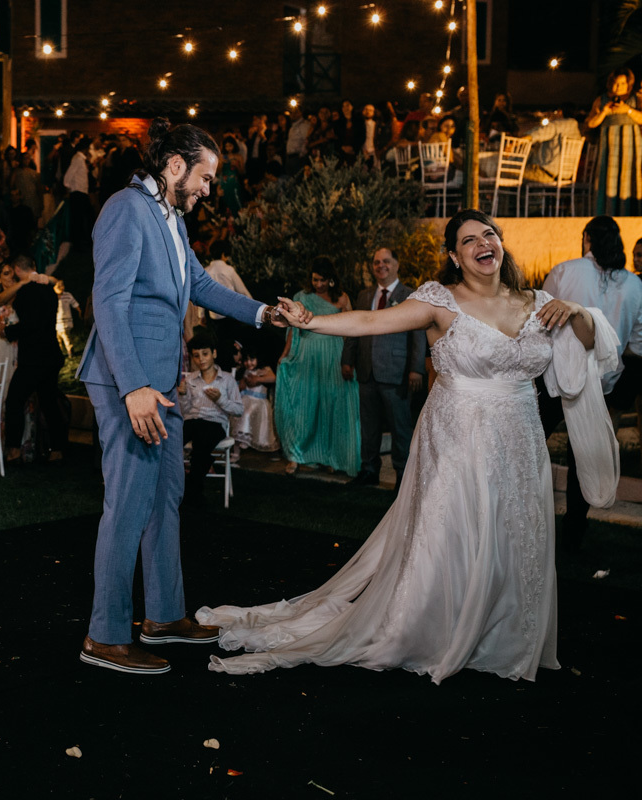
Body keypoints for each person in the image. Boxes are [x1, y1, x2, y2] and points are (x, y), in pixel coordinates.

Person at [199, 209, 618, 684]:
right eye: (470, 240)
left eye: (490, 235)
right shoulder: (441, 301)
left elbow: (589, 343)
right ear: (454, 256)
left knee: (512, 533)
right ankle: (434, 628)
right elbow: (370, 322)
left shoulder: (538, 301)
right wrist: (312, 321)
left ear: (501, 243)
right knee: (454, 533)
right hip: (457, 438)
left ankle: (501, 635)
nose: (484, 244)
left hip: (521, 442)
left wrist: (580, 312)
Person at [76, 117, 302, 675]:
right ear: (175, 166)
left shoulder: (171, 217)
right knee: (127, 508)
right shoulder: (125, 210)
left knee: (164, 502)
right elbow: (108, 303)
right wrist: (133, 389)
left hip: (165, 388)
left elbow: (198, 286)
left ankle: (165, 615)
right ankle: (104, 636)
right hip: (131, 386)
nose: (208, 188)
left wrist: (263, 314)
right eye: (205, 176)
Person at [540, 215, 642, 552]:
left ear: (587, 239)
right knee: (583, 459)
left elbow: (539, 321)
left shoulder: (565, 271)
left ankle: (527, 517)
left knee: (531, 444)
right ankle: (573, 534)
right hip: (603, 385)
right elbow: (638, 345)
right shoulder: (635, 285)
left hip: (556, 379)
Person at [342, 248, 426, 488]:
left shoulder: (411, 295)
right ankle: (368, 470)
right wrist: (347, 360)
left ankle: (403, 476)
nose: (381, 266)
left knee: (400, 427)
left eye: (386, 261)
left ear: (397, 265)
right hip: (366, 371)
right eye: (376, 262)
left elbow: (418, 334)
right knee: (368, 426)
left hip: (396, 372)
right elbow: (354, 330)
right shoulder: (364, 295)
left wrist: (416, 369)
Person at [275, 257, 361, 477]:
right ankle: (296, 456)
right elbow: (293, 331)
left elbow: (349, 330)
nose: (319, 284)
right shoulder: (301, 298)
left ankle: (330, 457)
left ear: (331, 280)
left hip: (333, 355)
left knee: (332, 406)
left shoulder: (342, 298)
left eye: (323, 280)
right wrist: (285, 355)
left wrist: (347, 361)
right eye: (315, 280)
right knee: (303, 406)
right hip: (307, 354)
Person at [3, 255, 67, 465]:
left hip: (33, 357)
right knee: (49, 402)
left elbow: (30, 324)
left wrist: (8, 331)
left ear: (16, 270)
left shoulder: (25, 292)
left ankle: (13, 450)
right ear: (33, 266)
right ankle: (57, 449)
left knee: (14, 400)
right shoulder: (48, 290)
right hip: (51, 354)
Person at [178, 332, 244, 502]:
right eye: (196, 356)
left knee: (202, 437)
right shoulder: (190, 379)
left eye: (205, 354)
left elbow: (238, 409)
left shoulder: (227, 379)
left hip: (215, 425)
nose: (201, 359)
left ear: (214, 353)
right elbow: (184, 411)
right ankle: (188, 487)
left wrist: (220, 399)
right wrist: (183, 395)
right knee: (173, 440)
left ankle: (191, 488)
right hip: (192, 422)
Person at [587, 69, 642, 216]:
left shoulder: (636, 99)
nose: (618, 87)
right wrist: (604, 112)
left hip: (631, 147)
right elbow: (591, 123)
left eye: (623, 83)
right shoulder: (602, 100)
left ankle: (631, 213)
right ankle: (606, 214)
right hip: (609, 148)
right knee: (607, 180)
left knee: (630, 180)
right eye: (616, 83)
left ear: (629, 84)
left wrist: (628, 110)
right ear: (610, 84)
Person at [232, 350, 279, 453]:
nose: (249, 363)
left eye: (252, 360)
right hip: (245, 399)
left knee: (247, 413)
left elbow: (273, 378)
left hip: (259, 401)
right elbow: (239, 387)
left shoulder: (264, 370)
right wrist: (242, 383)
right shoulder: (243, 371)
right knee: (239, 413)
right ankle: (236, 450)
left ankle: (246, 437)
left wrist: (258, 379)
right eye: (246, 360)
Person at [54, 279, 81, 357]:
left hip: (65, 323)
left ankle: (70, 352)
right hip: (56, 323)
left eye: (62, 285)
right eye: (59, 286)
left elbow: (74, 303)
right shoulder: (53, 296)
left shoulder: (67, 295)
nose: (61, 287)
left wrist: (79, 311)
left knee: (66, 338)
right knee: (57, 339)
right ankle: (59, 354)